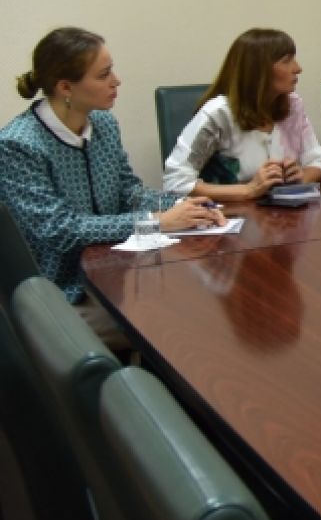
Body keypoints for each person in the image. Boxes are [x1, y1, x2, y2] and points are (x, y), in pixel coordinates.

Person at [0, 28, 225, 348]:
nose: (116, 81)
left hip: (117, 274)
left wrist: (186, 206)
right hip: (64, 293)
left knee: (198, 303)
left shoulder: (104, 125)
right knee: (174, 328)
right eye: (104, 75)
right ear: (65, 87)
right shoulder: (19, 145)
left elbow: (129, 192)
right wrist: (157, 221)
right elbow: (60, 230)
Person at [163, 28, 321, 202]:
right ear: (258, 70)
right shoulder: (218, 113)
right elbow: (175, 182)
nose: (298, 68)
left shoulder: (293, 105)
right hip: (228, 214)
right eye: (286, 61)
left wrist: (301, 177)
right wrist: (248, 190)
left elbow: (317, 161)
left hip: (283, 215)